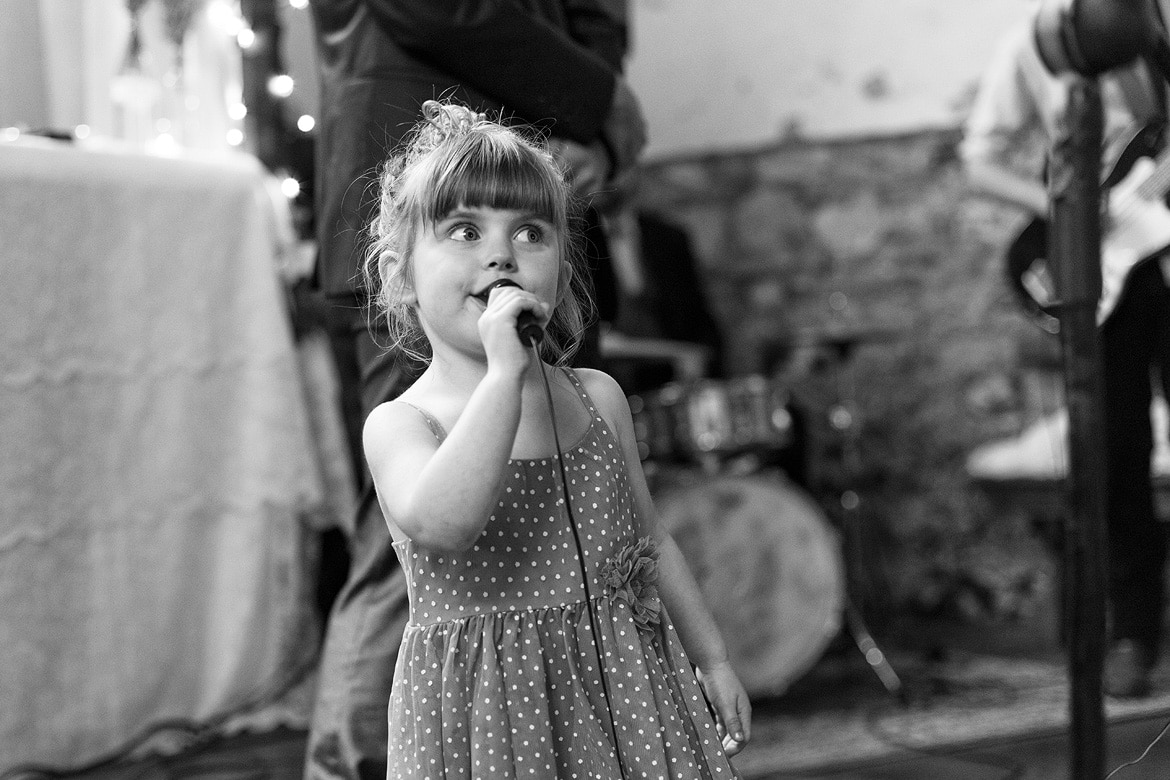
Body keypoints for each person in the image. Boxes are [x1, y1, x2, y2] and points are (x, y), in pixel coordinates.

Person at [359, 99, 750, 777]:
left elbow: (651, 542)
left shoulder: (595, 398)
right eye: (463, 231)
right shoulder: (400, 423)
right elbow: (443, 525)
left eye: (531, 233)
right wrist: (504, 376)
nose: (501, 255)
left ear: (562, 271)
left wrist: (711, 657)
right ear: (400, 275)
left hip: (624, 690)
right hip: (484, 719)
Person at [305, 3, 646, 776]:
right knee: (401, 558)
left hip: (542, 173)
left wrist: (587, 132)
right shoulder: (428, 280)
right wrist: (595, 95)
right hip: (426, 205)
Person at [960, 4, 1170, 697]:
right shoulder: (1036, 43)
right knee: (1117, 449)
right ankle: (1135, 630)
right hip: (1107, 274)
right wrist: (1067, 208)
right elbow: (980, 160)